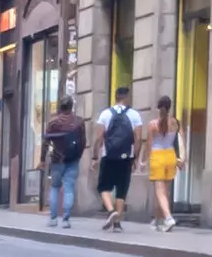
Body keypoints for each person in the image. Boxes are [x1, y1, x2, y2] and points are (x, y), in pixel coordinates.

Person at [94, 85, 142, 230]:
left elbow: (99, 138)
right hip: (126, 156)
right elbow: (139, 138)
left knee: (103, 187)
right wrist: (135, 158)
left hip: (108, 155)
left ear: (115, 97)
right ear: (127, 97)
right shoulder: (134, 115)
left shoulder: (105, 114)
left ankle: (111, 211)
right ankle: (117, 223)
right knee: (122, 190)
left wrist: (94, 156)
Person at [41, 96, 84, 228]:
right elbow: (83, 142)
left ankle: (53, 218)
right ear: (72, 107)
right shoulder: (78, 122)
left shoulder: (53, 122)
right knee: (69, 188)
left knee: (54, 187)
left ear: (61, 106)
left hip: (57, 159)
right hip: (72, 159)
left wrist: (42, 159)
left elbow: (45, 142)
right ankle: (66, 219)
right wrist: (78, 155)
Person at [146, 95, 180, 231]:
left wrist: (144, 160)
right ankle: (157, 219)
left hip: (157, 156)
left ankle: (168, 218)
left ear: (158, 107)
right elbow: (181, 142)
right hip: (170, 156)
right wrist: (181, 159)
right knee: (165, 192)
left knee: (159, 192)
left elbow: (149, 143)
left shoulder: (153, 124)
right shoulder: (176, 123)